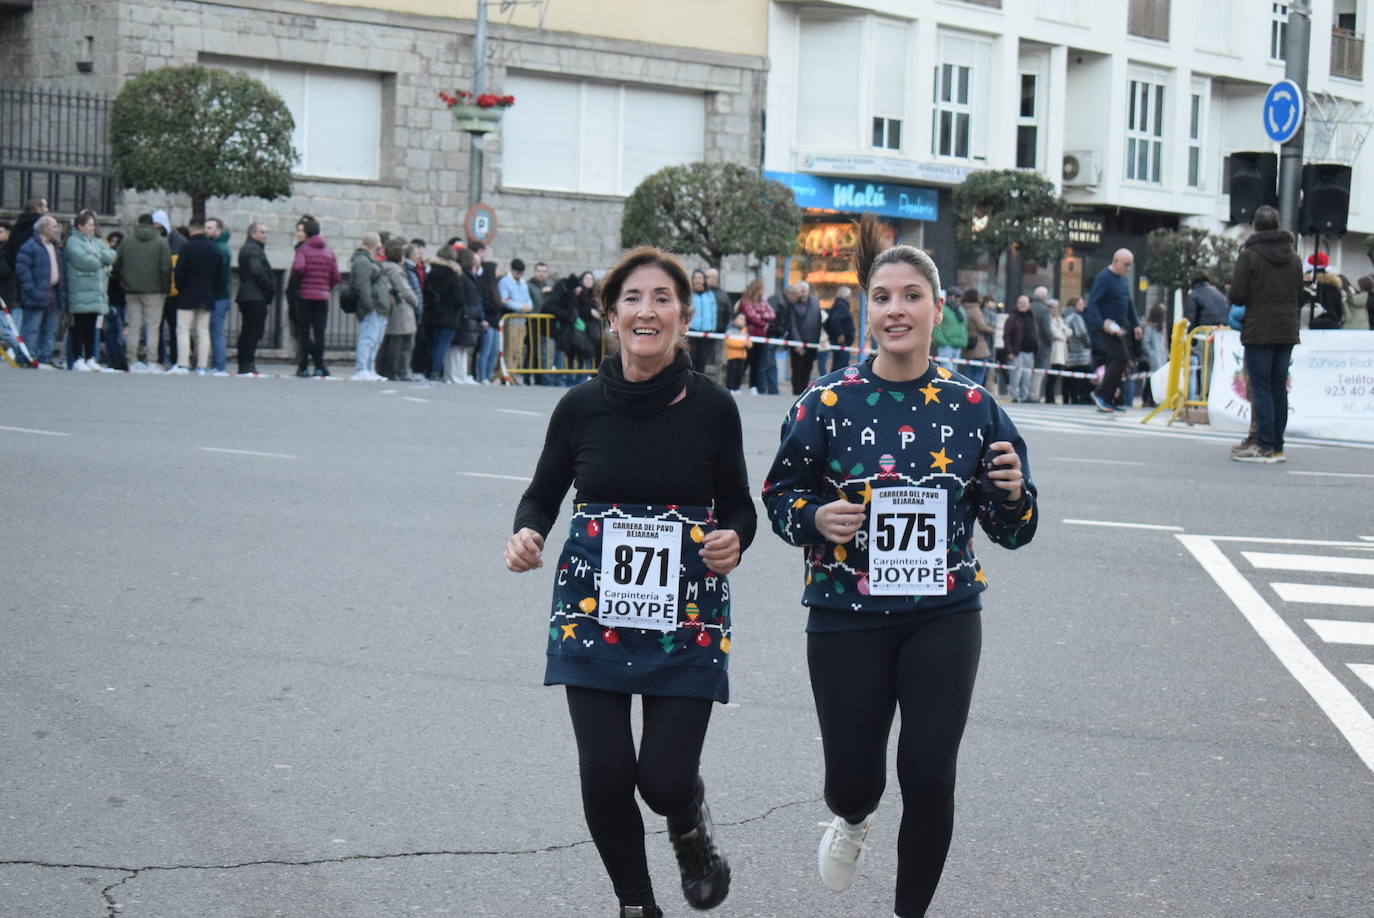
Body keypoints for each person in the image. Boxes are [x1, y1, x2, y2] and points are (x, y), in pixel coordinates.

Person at [761, 212, 1036, 918]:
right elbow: (780, 495)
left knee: (929, 770)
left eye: (912, 295)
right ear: (866, 313)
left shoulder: (975, 408)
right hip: (844, 615)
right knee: (853, 780)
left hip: (943, 615)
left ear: (937, 311)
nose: (896, 309)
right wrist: (816, 518)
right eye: (882, 297)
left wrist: (1013, 495)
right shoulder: (825, 403)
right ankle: (852, 818)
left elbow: (1014, 530)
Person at [505, 245, 755, 918]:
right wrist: (526, 534)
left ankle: (686, 817)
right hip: (592, 608)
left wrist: (736, 538)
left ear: (683, 316)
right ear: (611, 315)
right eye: (633, 299)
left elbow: (738, 505)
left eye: (663, 299)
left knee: (664, 779)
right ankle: (636, 904)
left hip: (689, 609)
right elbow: (540, 497)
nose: (647, 311)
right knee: (607, 773)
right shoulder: (580, 408)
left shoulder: (712, 408)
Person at [1228, 205, 1302, 463]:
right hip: (1287, 328)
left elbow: (1237, 294)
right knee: (1279, 387)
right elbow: (1299, 294)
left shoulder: (1250, 255)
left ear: (1256, 226)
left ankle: (1264, 444)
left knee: (1261, 388)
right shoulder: (1293, 256)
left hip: (1259, 329)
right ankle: (1277, 445)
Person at [1086, 248, 1140, 414]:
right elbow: (1093, 303)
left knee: (1117, 361)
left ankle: (1109, 398)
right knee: (1120, 358)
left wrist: (1135, 324)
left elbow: (1128, 302)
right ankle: (1101, 394)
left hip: (1119, 328)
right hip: (1107, 328)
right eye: (1126, 265)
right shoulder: (1104, 278)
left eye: (1130, 265)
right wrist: (1101, 323)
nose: (1128, 268)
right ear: (1115, 261)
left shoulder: (1122, 279)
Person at [63, 212, 117, 371]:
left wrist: (98, 255)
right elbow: (84, 261)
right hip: (80, 290)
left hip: (96, 291)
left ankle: (90, 357)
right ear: (80, 226)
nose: (93, 228)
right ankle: (77, 358)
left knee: (92, 325)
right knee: (79, 325)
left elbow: (112, 254)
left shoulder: (95, 242)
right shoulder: (73, 242)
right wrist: (101, 259)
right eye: (90, 225)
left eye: (93, 225)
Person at [169, 219, 222, 375]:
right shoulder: (214, 248)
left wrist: (180, 288)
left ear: (191, 230)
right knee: (203, 331)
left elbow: (179, 272)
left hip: (187, 294)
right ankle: (201, 366)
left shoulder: (187, 247)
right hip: (207, 294)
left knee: (183, 329)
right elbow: (219, 274)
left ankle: (183, 364)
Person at [290, 217, 340, 378]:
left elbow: (298, 267)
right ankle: (319, 366)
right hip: (322, 297)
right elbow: (336, 276)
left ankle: (303, 366)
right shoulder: (328, 251)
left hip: (305, 296)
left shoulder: (303, 249)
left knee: (304, 332)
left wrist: (302, 280)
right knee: (319, 333)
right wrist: (326, 287)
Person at [16, 214, 67, 368]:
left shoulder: (55, 247)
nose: (56, 229)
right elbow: (23, 270)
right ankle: (28, 357)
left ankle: (45, 357)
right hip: (37, 294)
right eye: (54, 226)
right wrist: (31, 290)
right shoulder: (30, 246)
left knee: (50, 329)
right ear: (44, 228)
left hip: (54, 294)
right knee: (32, 328)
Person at [231, 222, 273, 377]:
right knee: (253, 331)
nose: (265, 235)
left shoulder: (249, 248)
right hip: (254, 296)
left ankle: (245, 363)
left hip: (249, 295)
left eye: (265, 232)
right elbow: (258, 272)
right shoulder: (253, 250)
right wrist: (269, 289)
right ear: (253, 234)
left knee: (249, 330)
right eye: (262, 232)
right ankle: (247, 364)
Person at [350, 232, 390, 381]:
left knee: (375, 340)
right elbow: (362, 286)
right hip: (372, 307)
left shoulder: (371, 260)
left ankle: (370, 368)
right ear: (375, 244)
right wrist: (369, 306)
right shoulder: (362, 261)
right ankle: (361, 369)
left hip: (380, 307)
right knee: (367, 339)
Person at [377, 240, 419, 381]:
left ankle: (387, 370)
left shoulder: (383, 267)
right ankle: (396, 371)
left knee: (390, 342)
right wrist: (415, 300)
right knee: (400, 344)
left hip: (392, 308)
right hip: (400, 309)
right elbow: (405, 290)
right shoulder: (396, 270)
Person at [205, 217, 233, 375]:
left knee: (216, 331)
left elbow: (220, 275)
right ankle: (217, 365)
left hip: (219, 296)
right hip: (218, 296)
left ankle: (219, 365)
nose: (207, 230)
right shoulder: (218, 247)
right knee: (214, 330)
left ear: (219, 230)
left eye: (210, 228)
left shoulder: (221, 248)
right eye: (206, 227)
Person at [736, 279, 774, 394]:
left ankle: (753, 386)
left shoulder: (763, 301)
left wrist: (760, 315)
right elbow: (751, 316)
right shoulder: (745, 301)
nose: (762, 293)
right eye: (760, 290)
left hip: (761, 337)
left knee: (756, 363)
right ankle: (736, 386)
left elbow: (772, 314)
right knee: (744, 362)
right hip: (748, 337)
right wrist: (763, 321)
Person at [785, 281, 823, 395]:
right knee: (797, 369)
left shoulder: (815, 303)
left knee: (807, 369)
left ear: (807, 291)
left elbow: (818, 322)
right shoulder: (793, 304)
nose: (802, 294)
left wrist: (818, 340)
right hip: (799, 342)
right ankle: (796, 392)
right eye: (800, 291)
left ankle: (804, 393)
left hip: (812, 342)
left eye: (804, 291)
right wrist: (797, 342)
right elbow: (792, 325)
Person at [499, 257, 534, 380]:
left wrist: (528, 306)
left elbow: (528, 298)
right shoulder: (504, 282)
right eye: (517, 272)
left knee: (518, 349)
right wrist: (520, 307)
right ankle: (508, 374)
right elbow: (505, 300)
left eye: (521, 273)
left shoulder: (523, 283)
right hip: (512, 319)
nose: (519, 275)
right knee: (510, 348)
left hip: (522, 320)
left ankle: (513, 373)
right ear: (512, 270)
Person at [1004, 295, 1037, 402]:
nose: (1023, 305)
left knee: (1027, 375)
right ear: (1017, 304)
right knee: (1016, 375)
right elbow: (1006, 335)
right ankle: (1015, 396)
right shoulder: (1012, 317)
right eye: (1020, 303)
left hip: (1029, 351)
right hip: (1016, 351)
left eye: (1025, 303)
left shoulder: (1031, 316)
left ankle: (1024, 396)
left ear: (1029, 304)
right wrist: (1009, 351)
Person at [959, 288, 994, 386]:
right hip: (979, 346)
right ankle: (976, 393)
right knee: (979, 373)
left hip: (967, 344)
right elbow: (981, 327)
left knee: (968, 372)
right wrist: (991, 329)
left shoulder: (962, 308)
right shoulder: (975, 309)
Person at [1062, 297, 1093, 405]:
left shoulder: (1064, 316)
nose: (1083, 306)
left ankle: (1067, 398)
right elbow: (1081, 333)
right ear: (1074, 305)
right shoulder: (1075, 317)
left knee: (1070, 379)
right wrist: (1089, 344)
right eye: (1080, 304)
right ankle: (1080, 399)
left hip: (1068, 353)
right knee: (1081, 380)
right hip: (1080, 353)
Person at [687, 269, 718, 372]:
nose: (698, 280)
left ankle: (700, 383)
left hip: (706, 331)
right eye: (695, 278)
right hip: (692, 331)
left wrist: (713, 327)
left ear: (704, 280)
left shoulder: (710, 295)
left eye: (700, 278)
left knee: (703, 359)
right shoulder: (689, 294)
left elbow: (714, 312)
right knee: (692, 358)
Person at [932, 289, 968, 371]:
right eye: (956, 296)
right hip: (946, 345)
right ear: (949, 296)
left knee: (954, 372)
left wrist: (963, 340)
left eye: (959, 297)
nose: (958, 299)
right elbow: (936, 326)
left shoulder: (960, 310)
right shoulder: (943, 309)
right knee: (947, 371)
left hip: (958, 345)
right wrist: (943, 341)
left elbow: (964, 326)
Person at [1029, 286, 1054, 402]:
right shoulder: (1044, 310)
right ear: (1044, 296)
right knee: (1039, 370)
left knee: (1029, 369)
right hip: (1042, 344)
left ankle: (1028, 393)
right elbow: (1046, 330)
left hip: (1030, 343)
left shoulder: (1031, 307)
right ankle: (1034, 394)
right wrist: (1050, 342)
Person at [825, 285, 857, 372]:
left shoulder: (839, 305)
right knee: (840, 367)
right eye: (850, 296)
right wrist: (839, 334)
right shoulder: (841, 306)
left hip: (843, 343)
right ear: (846, 296)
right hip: (842, 342)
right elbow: (834, 319)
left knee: (841, 366)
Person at [722, 311, 750, 392]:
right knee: (732, 372)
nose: (743, 321)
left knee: (740, 373)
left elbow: (749, 342)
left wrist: (748, 344)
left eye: (744, 319)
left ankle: (737, 387)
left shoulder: (745, 331)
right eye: (740, 319)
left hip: (742, 356)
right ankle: (730, 387)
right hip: (732, 356)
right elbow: (729, 342)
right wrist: (742, 344)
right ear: (734, 320)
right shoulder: (730, 330)